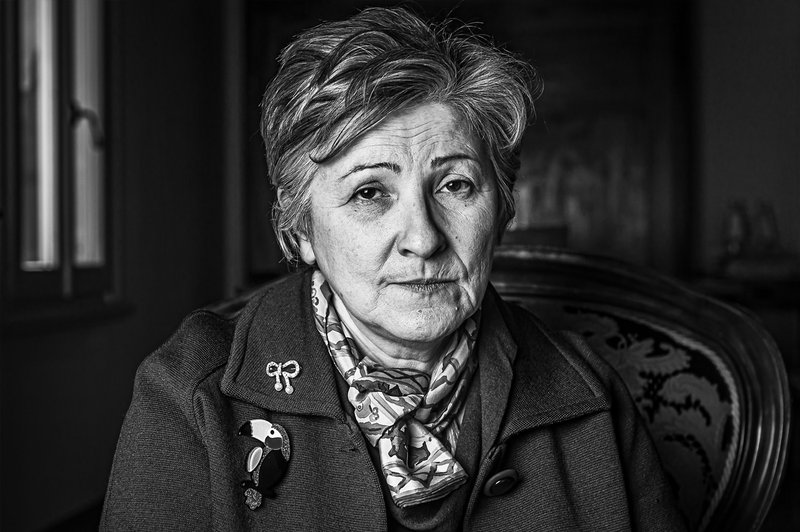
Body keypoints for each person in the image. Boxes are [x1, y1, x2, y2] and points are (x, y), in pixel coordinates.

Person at [102, 7, 686, 531]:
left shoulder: (590, 391)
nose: (424, 238)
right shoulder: (190, 393)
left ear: (504, 210)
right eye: (369, 193)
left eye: (456, 185)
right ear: (301, 230)